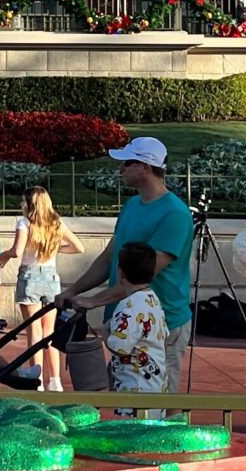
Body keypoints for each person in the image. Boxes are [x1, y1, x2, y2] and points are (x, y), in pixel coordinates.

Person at [62, 136, 196, 392]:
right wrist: (73, 291)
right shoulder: (132, 205)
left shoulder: (174, 215)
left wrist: (93, 300)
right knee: (127, 396)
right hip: (127, 321)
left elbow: (141, 275)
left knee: (159, 403)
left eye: (126, 163)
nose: (120, 169)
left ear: (145, 167)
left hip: (161, 325)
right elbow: (108, 258)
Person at [10, 186, 83, 392]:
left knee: (34, 332)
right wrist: (56, 248)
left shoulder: (24, 223)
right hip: (51, 276)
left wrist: (5, 254)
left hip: (30, 275)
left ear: (29, 204)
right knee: (49, 332)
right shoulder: (56, 223)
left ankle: (37, 379)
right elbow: (79, 247)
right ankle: (56, 380)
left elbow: (17, 251)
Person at [102, 241, 169, 398]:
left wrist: (105, 332)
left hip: (134, 387)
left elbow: (119, 346)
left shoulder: (128, 306)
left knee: (134, 423)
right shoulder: (153, 299)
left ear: (120, 273)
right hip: (156, 385)